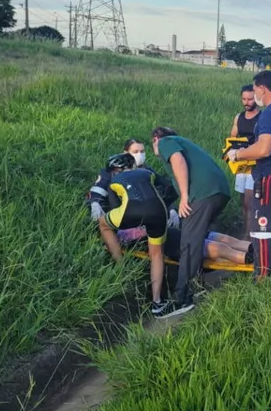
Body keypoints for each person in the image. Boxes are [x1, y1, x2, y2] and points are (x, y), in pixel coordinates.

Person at [151, 126, 231, 313]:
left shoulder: (165, 142)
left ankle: (182, 299)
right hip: (219, 191)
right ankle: (196, 285)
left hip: (202, 194)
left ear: (155, 139)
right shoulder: (186, 144)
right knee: (197, 240)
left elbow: (178, 160)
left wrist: (185, 196)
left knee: (188, 244)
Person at [94, 153, 180, 318]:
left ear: (115, 170)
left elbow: (114, 205)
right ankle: (157, 303)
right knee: (157, 255)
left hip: (130, 210)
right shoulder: (148, 172)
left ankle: (121, 266)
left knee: (104, 225)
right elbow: (171, 187)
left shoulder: (114, 180)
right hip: (158, 210)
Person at [227, 70, 271, 280]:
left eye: (255, 90)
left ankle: (262, 276)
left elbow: (264, 148)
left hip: (269, 176)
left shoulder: (270, 113)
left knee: (262, 227)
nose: (254, 95)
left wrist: (238, 154)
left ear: (263, 89)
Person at [88, 138, 179, 227]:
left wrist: (171, 209)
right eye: (135, 152)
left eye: (142, 151)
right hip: (119, 211)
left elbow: (163, 191)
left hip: (146, 212)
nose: (140, 155)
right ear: (125, 153)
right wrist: (95, 204)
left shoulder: (148, 171)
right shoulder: (114, 169)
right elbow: (98, 189)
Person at [118, 225, 254, 265]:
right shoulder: (123, 233)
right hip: (177, 243)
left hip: (184, 231)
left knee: (227, 239)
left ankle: (257, 249)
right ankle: (254, 259)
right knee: (222, 249)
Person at [229, 84, 260, 231]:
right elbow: (232, 137)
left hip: (255, 164)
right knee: (243, 200)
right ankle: (245, 228)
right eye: (244, 99)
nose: (246, 102)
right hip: (241, 163)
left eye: (250, 99)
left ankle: (248, 235)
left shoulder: (262, 118)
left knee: (250, 201)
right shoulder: (238, 117)